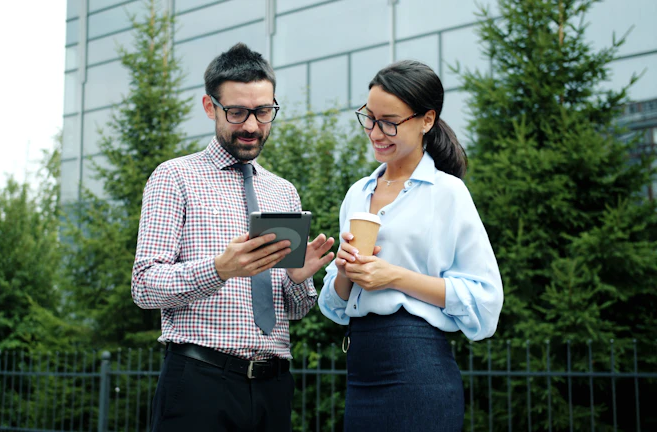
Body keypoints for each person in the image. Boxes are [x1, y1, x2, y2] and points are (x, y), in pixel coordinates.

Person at [132, 42, 335, 432]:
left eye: (263, 111)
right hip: (199, 384)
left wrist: (298, 279)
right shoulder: (174, 178)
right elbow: (143, 286)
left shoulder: (283, 192)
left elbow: (293, 310)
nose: (252, 126)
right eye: (237, 112)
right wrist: (219, 270)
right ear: (210, 108)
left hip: (274, 387)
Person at [318, 60, 503, 431]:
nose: (375, 132)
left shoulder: (448, 194)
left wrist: (395, 277)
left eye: (389, 121)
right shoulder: (357, 193)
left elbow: (485, 303)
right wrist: (343, 273)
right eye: (369, 118)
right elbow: (334, 306)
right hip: (361, 369)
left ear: (426, 120)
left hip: (419, 369)